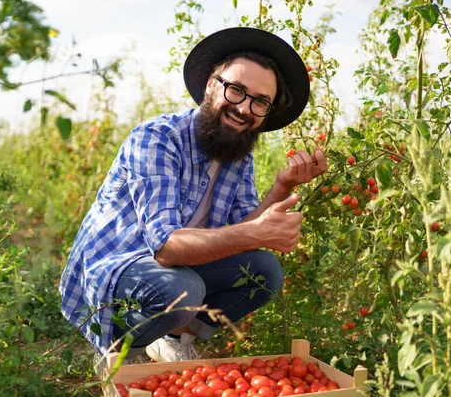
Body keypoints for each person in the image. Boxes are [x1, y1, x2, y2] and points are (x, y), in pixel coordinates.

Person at [59, 27, 328, 366]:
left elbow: (240, 233)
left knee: (264, 272)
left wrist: (282, 186)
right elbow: (167, 248)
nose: (244, 108)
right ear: (211, 85)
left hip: (171, 270)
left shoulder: (238, 154)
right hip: (118, 269)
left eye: (260, 102)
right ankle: (117, 349)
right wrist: (257, 233)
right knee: (182, 289)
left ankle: (172, 338)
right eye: (236, 90)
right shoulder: (157, 139)